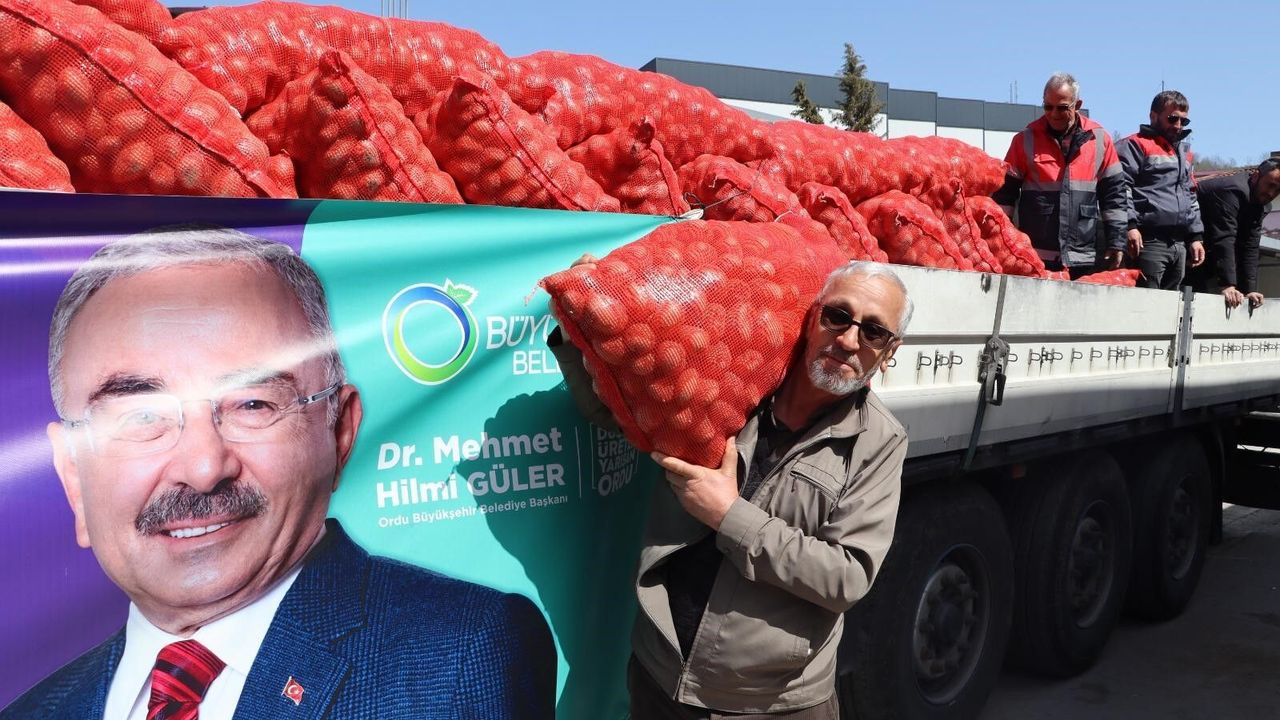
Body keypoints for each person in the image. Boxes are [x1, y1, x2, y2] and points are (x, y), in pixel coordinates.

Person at [2, 226, 555, 720]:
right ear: (72, 475)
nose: (203, 469)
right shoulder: (34, 711)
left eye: (252, 405)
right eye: (140, 417)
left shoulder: (458, 655)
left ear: (339, 433)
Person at [552, 259, 910, 717]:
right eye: (838, 316)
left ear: (889, 351)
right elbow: (618, 415)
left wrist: (728, 516)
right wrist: (575, 326)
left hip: (770, 702)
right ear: (813, 317)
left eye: (873, 331)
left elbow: (847, 578)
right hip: (660, 674)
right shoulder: (735, 382)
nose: (848, 340)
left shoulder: (879, 441)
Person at [992, 72, 1128, 279]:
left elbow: (1114, 195)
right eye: (1048, 107)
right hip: (1035, 255)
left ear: (1077, 104)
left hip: (1082, 256)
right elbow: (1004, 195)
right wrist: (1001, 240)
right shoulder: (1025, 139)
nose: (1054, 114)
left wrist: (1117, 241)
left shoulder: (1100, 140)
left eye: (1062, 107)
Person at [1117, 90, 1206, 289]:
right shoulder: (1135, 145)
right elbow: (1121, 188)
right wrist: (1130, 226)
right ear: (1153, 116)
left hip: (1178, 244)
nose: (1178, 125)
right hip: (1147, 242)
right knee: (1145, 303)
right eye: (1172, 118)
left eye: (1183, 121)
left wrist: (1195, 237)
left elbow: (1190, 195)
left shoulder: (1184, 153)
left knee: (1171, 306)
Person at [1190, 158, 1280, 308]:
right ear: (1256, 176)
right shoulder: (1232, 191)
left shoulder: (1262, 204)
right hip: (1185, 243)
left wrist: (1249, 290)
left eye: (1278, 190)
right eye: (1270, 185)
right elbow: (1225, 237)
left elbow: (1250, 245)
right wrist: (1228, 285)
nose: (1272, 193)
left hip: (1208, 255)